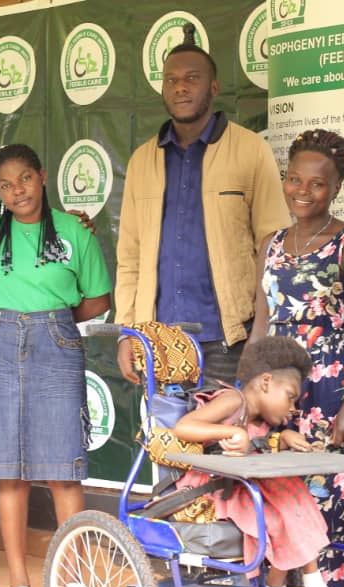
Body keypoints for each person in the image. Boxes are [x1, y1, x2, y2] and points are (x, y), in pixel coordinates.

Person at [250, 128, 344, 587]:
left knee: (333, 496)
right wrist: (248, 392)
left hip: (330, 389)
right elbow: (260, 321)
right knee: (283, 498)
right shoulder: (271, 244)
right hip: (280, 394)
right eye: (295, 179)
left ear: (336, 186)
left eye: (317, 183)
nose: (303, 190)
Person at [0, 144, 112, 587]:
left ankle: (73, 577)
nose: (18, 191)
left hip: (57, 341)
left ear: (43, 176)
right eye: (6, 185)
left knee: (61, 471)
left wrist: (51, 320)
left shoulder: (75, 230)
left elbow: (97, 299)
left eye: (25, 179)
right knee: (8, 471)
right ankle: (18, 579)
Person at [115, 27, 287, 385]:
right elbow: (130, 257)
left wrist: (260, 328)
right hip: (157, 339)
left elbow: (274, 246)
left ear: (213, 87)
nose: (181, 87)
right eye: (172, 80)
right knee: (167, 440)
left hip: (229, 340)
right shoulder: (141, 161)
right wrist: (127, 333)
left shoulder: (250, 149)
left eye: (192, 78)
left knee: (226, 441)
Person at [173, 336, 330, 587]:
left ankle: (293, 583)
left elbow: (258, 443)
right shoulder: (233, 401)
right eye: (290, 397)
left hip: (243, 484)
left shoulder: (261, 420)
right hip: (217, 487)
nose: (292, 408)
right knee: (280, 514)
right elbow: (184, 427)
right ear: (266, 382)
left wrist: (283, 438)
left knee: (297, 498)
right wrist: (231, 434)